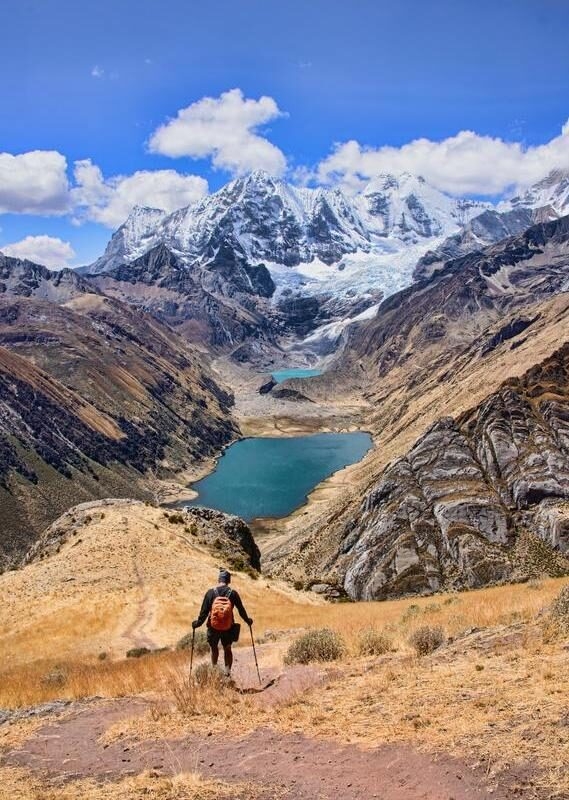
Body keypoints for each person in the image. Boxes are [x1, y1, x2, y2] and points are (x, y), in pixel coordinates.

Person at [192, 569, 253, 677]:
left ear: (219, 579)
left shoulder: (210, 593)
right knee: (227, 649)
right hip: (228, 627)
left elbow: (204, 612)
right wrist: (248, 620)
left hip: (213, 626)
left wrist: (197, 623)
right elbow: (241, 610)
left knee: (214, 648)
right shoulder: (233, 593)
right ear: (228, 580)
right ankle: (227, 673)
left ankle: (214, 671)